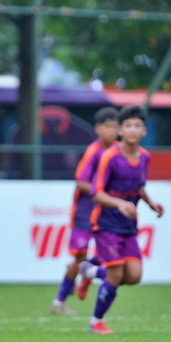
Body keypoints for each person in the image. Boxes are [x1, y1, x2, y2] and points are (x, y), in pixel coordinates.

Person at [81, 105, 164, 334]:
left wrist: (150, 203)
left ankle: (89, 270)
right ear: (120, 130)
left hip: (127, 226)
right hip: (105, 223)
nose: (133, 130)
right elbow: (96, 192)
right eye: (128, 125)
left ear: (144, 131)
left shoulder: (145, 157)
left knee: (134, 276)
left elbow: (139, 187)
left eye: (137, 126)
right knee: (116, 274)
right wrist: (120, 203)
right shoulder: (109, 157)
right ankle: (95, 321)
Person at [50, 107, 118, 314]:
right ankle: (59, 303)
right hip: (84, 213)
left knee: (111, 254)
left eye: (115, 126)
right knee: (79, 258)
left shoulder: (118, 151)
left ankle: (87, 275)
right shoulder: (94, 151)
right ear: (97, 128)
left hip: (106, 213)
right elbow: (81, 182)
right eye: (107, 126)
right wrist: (103, 193)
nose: (112, 131)